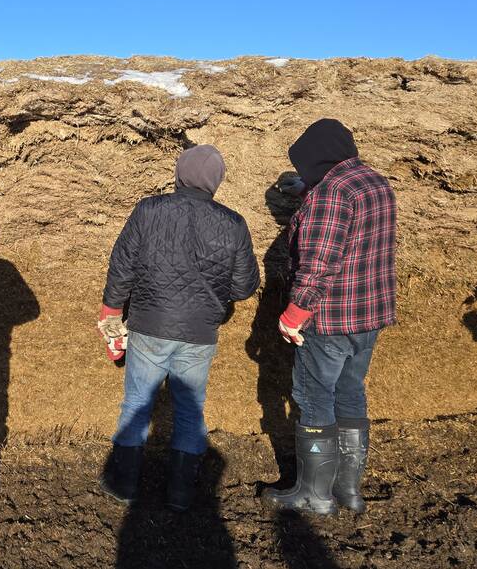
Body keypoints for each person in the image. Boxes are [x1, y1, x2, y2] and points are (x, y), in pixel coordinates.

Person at [97, 144, 260, 511]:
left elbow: (122, 266)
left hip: (150, 325)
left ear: (179, 172)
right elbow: (244, 286)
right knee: (190, 409)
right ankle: (181, 493)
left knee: (138, 402)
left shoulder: (149, 210)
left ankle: (123, 483)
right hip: (200, 332)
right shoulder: (233, 223)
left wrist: (111, 312)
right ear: (216, 181)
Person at [262, 118, 397, 516]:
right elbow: (350, 223)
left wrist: (294, 313)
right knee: (351, 391)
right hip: (368, 315)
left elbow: (318, 262)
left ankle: (314, 495)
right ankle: (348, 490)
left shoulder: (331, 195)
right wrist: (307, 191)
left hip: (329, 319)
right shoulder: (372, 181)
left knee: (313, 395)